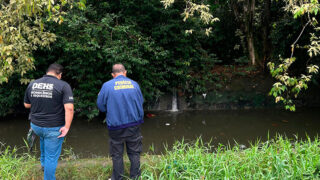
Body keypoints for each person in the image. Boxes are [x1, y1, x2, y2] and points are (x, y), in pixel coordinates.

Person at [24, 63, 74, 180]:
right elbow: (69, 108)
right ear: (59, 74)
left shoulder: (33, 84)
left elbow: (27, 104)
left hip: (36, 126)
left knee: (43, 140)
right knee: (51, 157)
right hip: (53, 128)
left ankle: (43, 165)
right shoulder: (63, 86)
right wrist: (66, 127)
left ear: (47, 72)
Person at [97, 63, 144, 180]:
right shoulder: (135, 84)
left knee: (117, 154)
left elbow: (101, 107)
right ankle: (136, 177)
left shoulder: (107, 86)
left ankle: (118, 177)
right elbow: (141, 102)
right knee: (134, 153)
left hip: (115, 127)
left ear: (113, 75)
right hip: (134, 125)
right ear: (125, 72)